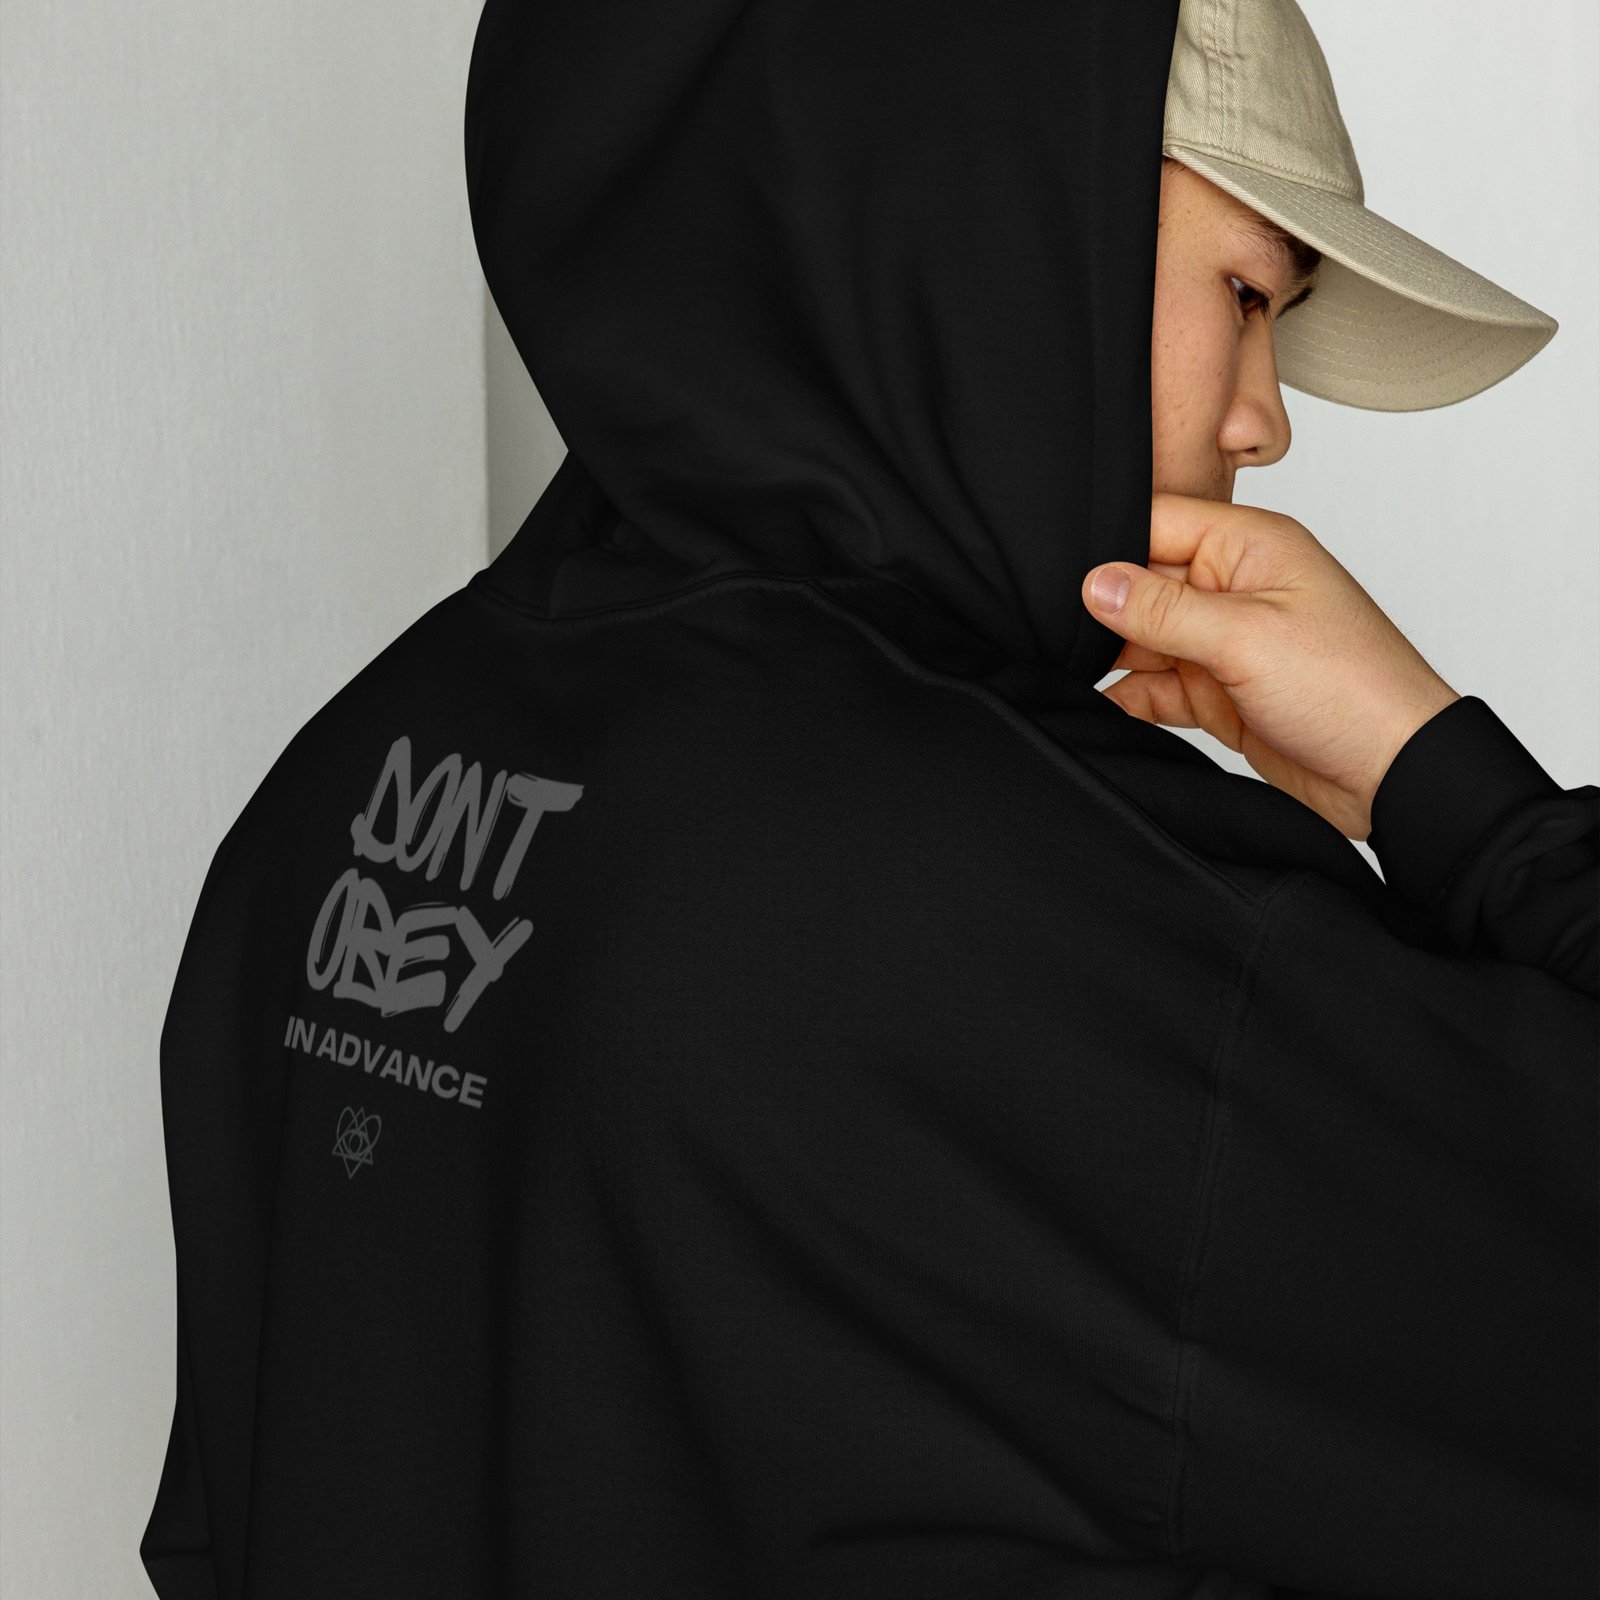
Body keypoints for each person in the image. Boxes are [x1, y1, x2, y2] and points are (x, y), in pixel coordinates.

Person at [140, 2, 1597, 1597]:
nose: (1269, 417)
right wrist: (1444, 781)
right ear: (1001, 226)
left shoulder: (336, 791)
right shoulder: (1084, 931)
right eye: (1246, 295)